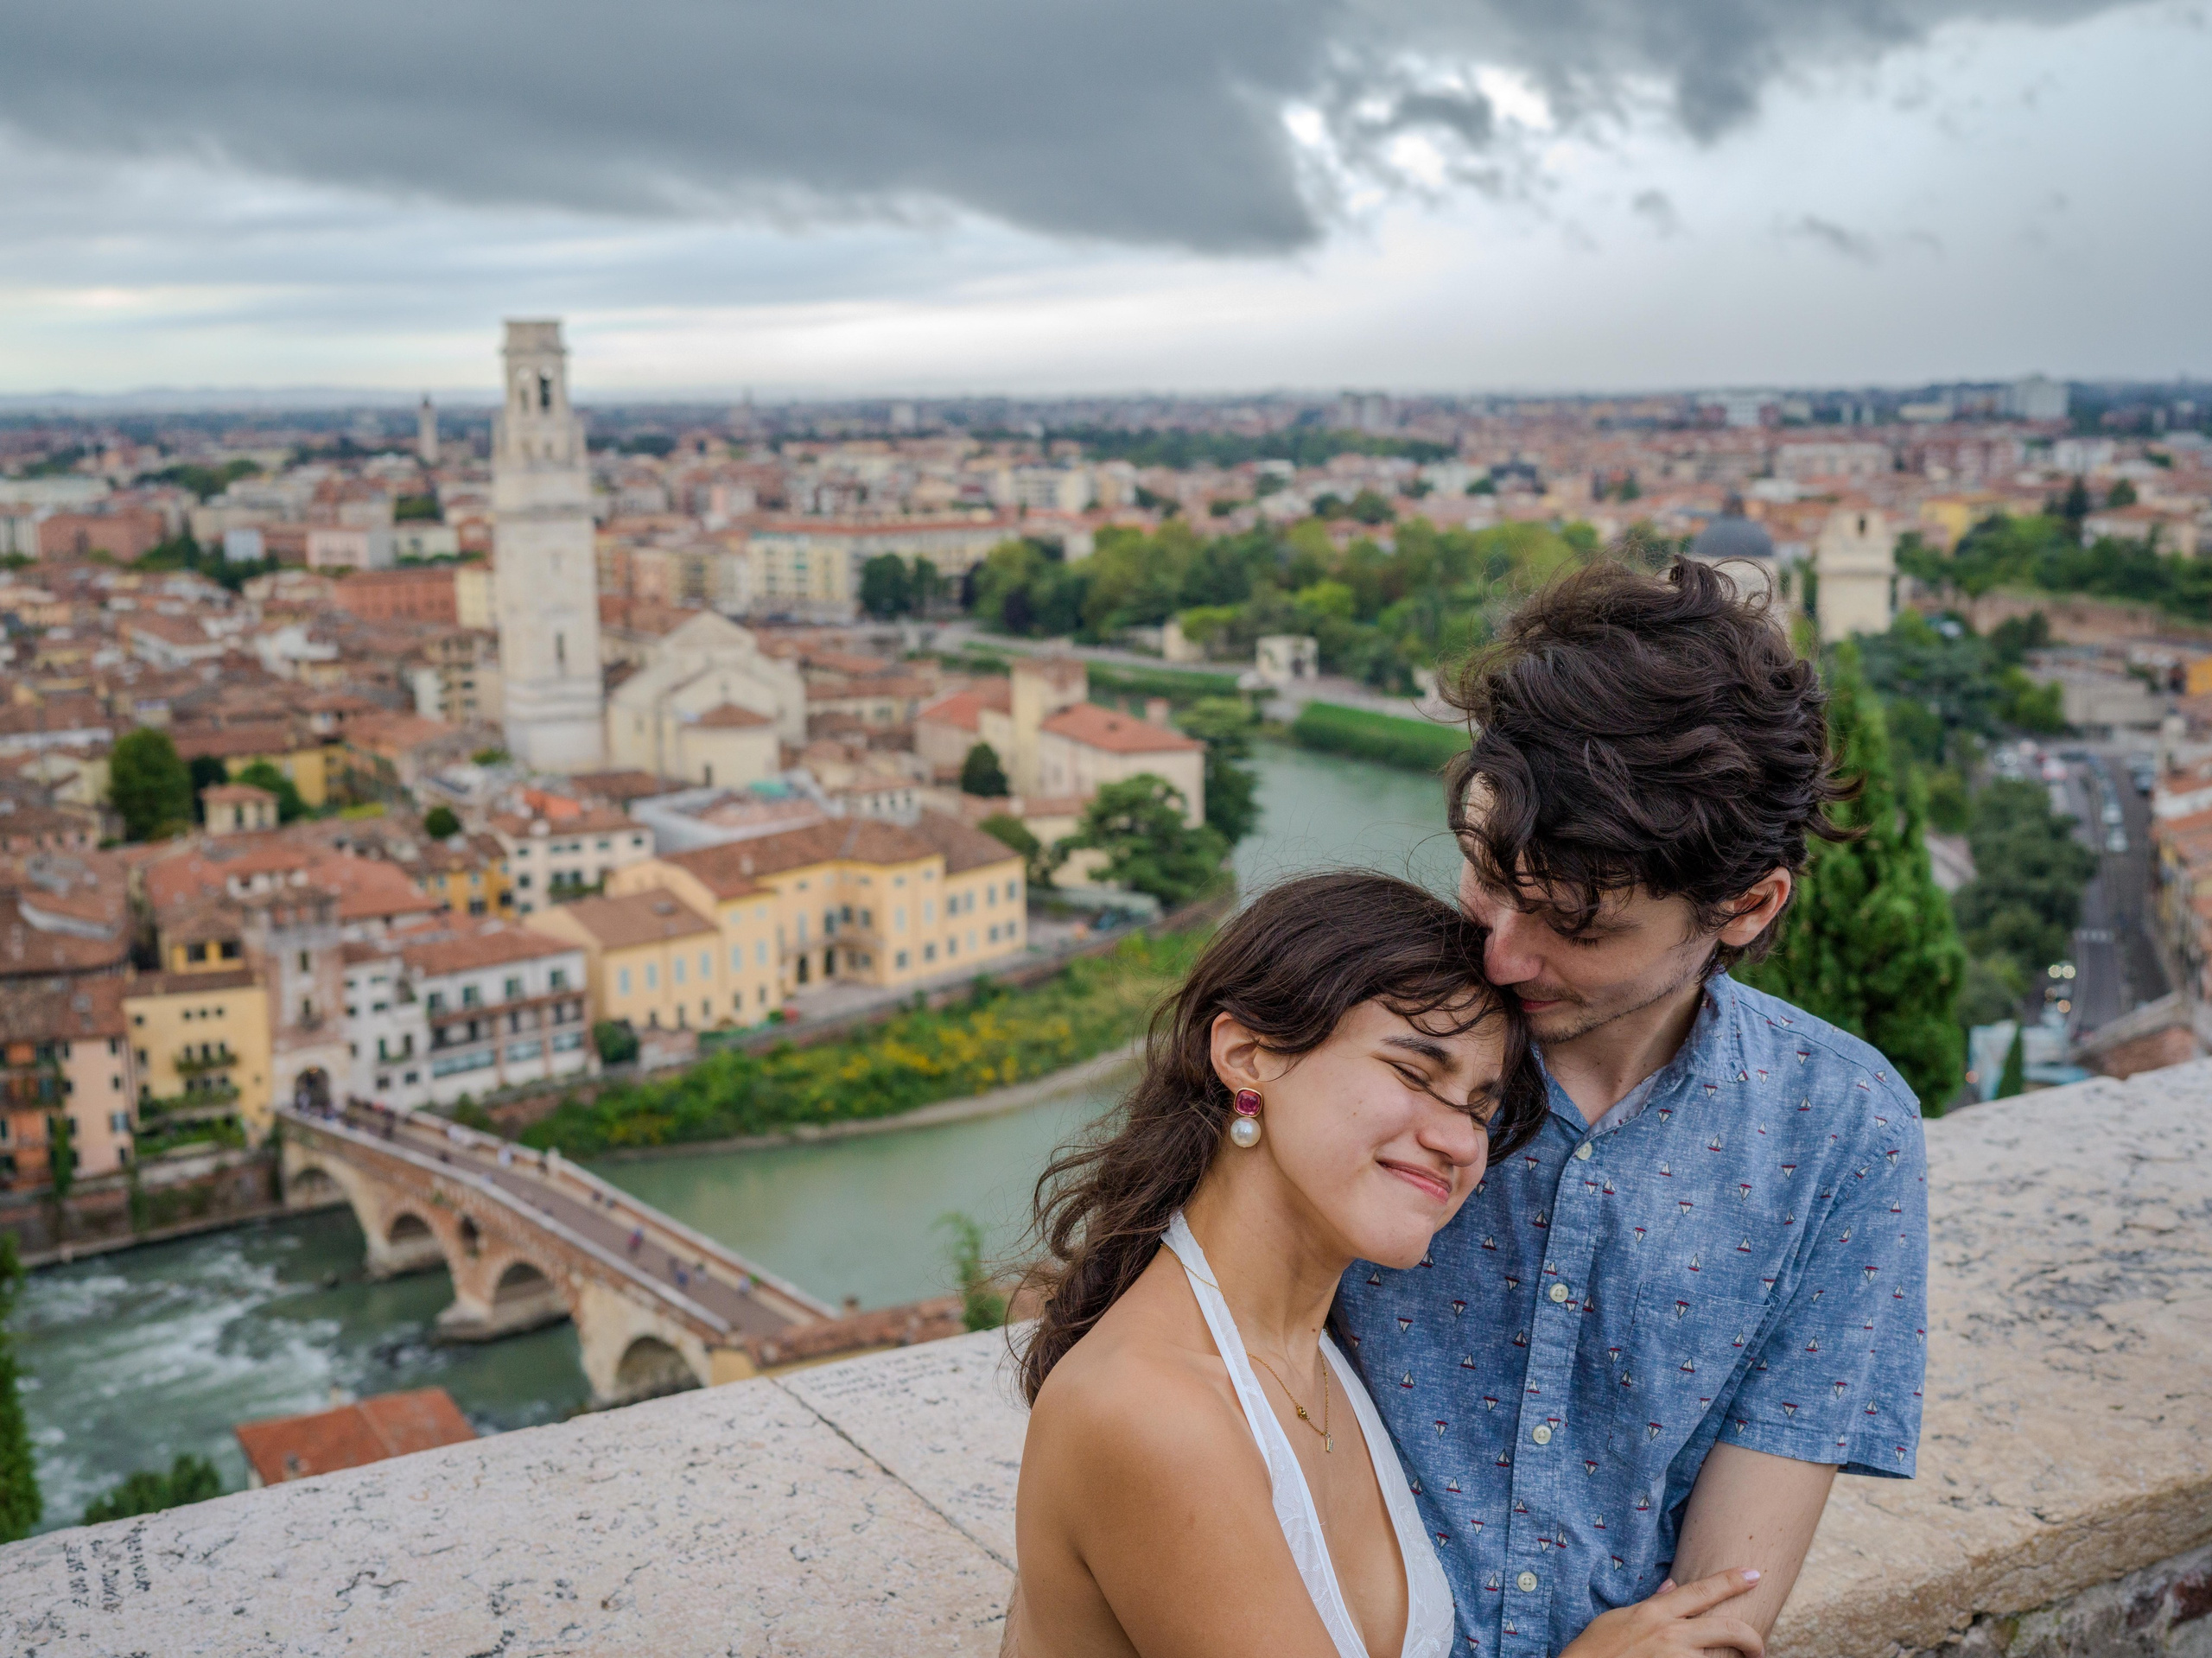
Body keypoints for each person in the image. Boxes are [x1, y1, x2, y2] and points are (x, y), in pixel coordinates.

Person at [1337, 558, 1930, 1658]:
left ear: (1746, 906)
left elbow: (1718, 1610)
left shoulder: (1842, 1131)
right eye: (1486, 875)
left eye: (1577, 924)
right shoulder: (1348, 1033)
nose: (1500, 953)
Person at [1007, 871, 1766, 1658]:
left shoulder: (1323, 1360)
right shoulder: (1151, 1410)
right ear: (1246, 1054)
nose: (1461, 1141)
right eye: (1414, 1072)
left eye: (1479, 1106)